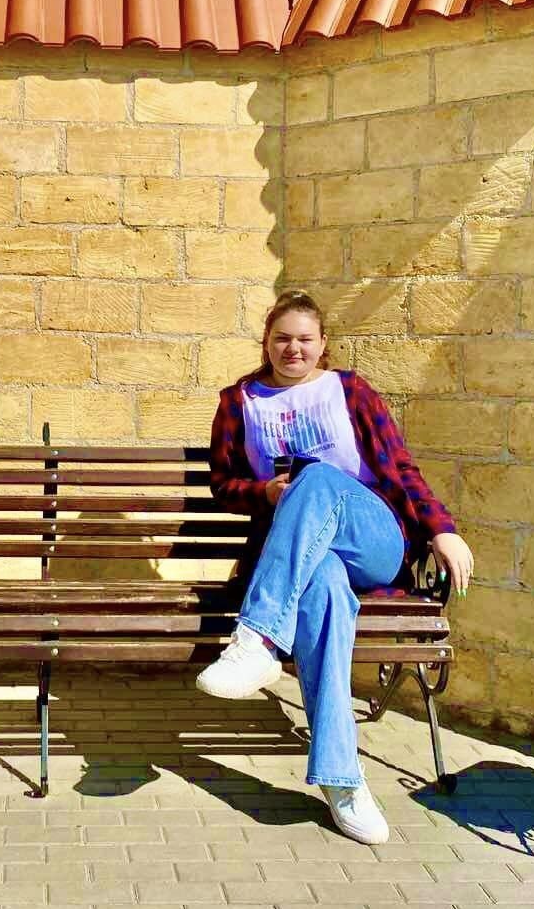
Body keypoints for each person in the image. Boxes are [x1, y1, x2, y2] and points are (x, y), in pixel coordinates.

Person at [198, 290, 473, 845]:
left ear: (322, 344)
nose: (292, 349)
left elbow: (400, 466)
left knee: (319, 477)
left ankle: (257, 639)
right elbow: (223, 483)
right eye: (282, 338)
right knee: (322, 589)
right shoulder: (239, 401)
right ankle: (343, 781)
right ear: (266, 342)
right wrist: (264, 494)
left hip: (374, 539)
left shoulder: (350, 391)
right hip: (306, 557)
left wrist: (441, 528)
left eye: (304, 339)